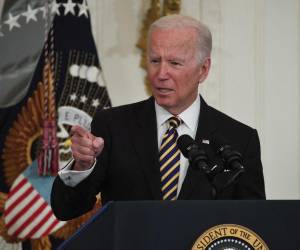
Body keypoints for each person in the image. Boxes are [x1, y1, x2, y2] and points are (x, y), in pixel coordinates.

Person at [51, 15, 265, 221]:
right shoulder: (112, 126)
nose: (161, 73)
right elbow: (66, 208)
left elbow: (255, 224)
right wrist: (81, 166)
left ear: (203, 69)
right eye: (155, 60)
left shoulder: (239, 140)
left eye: (174, 63)